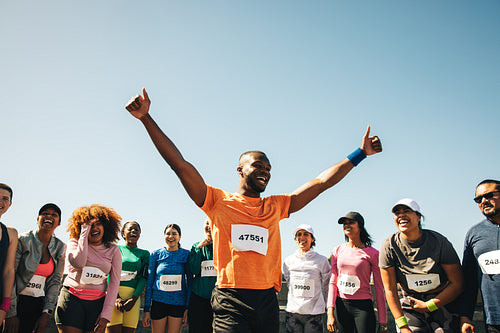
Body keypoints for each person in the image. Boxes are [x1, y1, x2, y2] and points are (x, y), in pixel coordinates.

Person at [125, 88, 382, 332]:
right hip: (230, 298)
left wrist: (361, 153)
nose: (265, 171)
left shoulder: (276, 206)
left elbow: (321, 183)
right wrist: (146, 118)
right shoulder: (216, 200)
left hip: (266, 301)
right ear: (240, 169)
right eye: (258, 165)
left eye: (269, 169)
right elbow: (180, 165)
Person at [379, 199, 463, 333]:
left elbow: (457, 283)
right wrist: (403, 326)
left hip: (441, 299)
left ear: (418, 217)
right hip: (409, 301)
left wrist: (428, 305)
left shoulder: (439, 242)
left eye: (406, 211)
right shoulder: (388, 246)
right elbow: (390, 290)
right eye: (397, 213)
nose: (401, 215)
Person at [55, 204, 122, 333]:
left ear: (106, 226)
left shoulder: (113, 250)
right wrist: (84, 233)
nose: (94, 228)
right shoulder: (74, 243)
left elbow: (114, 284)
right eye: (89, 224)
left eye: (98, 223)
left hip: (97, 304)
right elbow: (79, 263)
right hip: (71, 299)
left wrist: (106, 315)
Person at [5, 203, 66, 333]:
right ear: (37, 218)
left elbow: (55, 281)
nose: (49, 216)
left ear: (59, 222)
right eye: (44, 213)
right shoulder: (22, 240)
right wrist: (11, 313)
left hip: (38, 304)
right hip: (16, 301)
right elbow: (11, 274)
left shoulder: (60, 247)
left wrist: (46, 313)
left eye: (54, 215)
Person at [327, 212, 387, 333]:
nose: (347, 225)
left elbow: (379, 288)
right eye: (344, 224)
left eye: (351, 222)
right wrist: (330, 313)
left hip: (363, 306)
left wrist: (383, 322)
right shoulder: (337, 250)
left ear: (360, 226)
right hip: (342, 305)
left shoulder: (373, 253)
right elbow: (333, 282)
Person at [460, 179, 500, 333]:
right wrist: (465, 317)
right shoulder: (474, 234)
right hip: (494, 321)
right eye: (478, 199)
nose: (484, 201)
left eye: (489, 195)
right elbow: (469, 280)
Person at [142, 224, 191, 333]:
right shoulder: (156, 254)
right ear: (164, 236)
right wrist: (146, 310)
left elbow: (190, 283)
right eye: (168, 234)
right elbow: (149, 283)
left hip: (178, 303)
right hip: (158, 302)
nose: (171, 236)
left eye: (174, 234)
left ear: (180, 236)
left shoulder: (186, 254)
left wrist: (187, 308)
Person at [283, 224, 330, 333]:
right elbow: (288, 282)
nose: (302, 237)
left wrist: (327, 306)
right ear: (295, 239)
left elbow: (326, 285)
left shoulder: (321, 260)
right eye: (299, 234)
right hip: (293, 313)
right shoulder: (288, 261)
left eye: (306, 234)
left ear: (312, 239)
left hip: (314, 314)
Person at [107, 221, 150, 333]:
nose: (133, 231)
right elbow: (109, 273)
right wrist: (116, 297)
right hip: (114, 297)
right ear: (123, 233)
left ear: (140, 234)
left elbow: (143, 277)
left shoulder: (145, 254)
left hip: (133, 299)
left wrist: (134, 298)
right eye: (130, 229)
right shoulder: (115, 249)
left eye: (136, 229)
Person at [188, 219, 216, 333]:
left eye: (212, 223)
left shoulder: (223, 246)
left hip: (217, 299)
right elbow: (193, 269)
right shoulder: (196, 246)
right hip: (198, 298)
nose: (209, 226)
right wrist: (199, 248)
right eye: (207, 223)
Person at [0, 183, 18, 326]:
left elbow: (8, 271)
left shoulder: (11, 234)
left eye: (5, 199)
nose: (1, 202)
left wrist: (5, 307)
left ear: (10, 204)